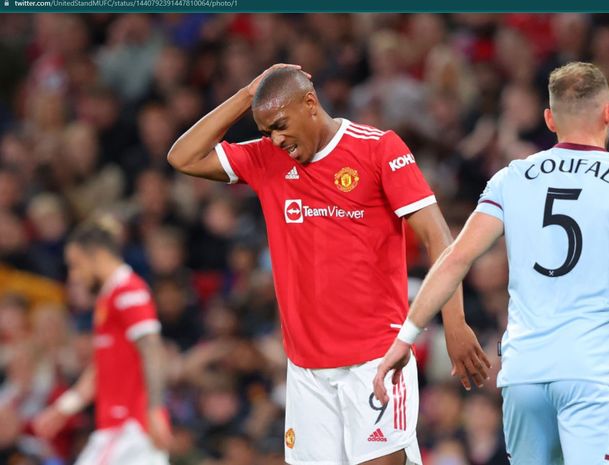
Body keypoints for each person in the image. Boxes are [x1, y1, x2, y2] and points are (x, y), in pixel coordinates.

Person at [167, 63, 489, 465]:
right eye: (267, 131)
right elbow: (182, 156)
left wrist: (454, 323)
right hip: (306, 369)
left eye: (281, 125)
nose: (276, 139)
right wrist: (248, 94)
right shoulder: (267, 159)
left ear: (310, 102)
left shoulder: (378, 149)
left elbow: (438, 236)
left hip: (377, 357)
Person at [374, 61, 609, 465]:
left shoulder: (513, 177)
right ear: (608, 113)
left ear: (549, 118)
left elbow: (455, 258)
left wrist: (405, 337)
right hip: (593, 373)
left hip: (524, 374)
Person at [33, 217, 172, 465]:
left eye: (76, 265)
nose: (74, 275)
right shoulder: (107, 299)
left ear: (96, 255)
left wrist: (155, 409)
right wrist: (65, 407)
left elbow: (152, 350)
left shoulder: (130, 291)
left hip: (129, 431)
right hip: (121, 432)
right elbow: (102, 366)